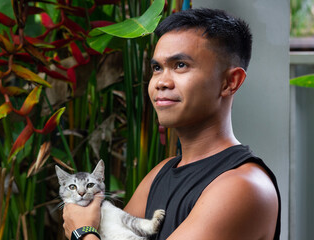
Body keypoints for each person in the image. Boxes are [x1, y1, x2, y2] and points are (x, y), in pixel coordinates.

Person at [62, 8, 281, 240]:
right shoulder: (160, 173)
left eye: (180, 65)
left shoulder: (244, 187)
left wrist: (83, 232)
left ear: (230, 82)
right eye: (157, 68)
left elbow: (91, 230)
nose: (161, 82)